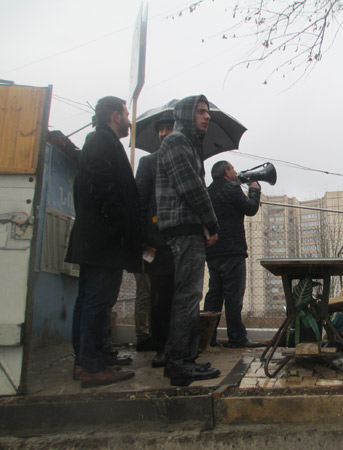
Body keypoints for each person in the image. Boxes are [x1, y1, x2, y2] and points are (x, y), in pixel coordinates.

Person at [66, 96, 142, 388]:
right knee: (97, 303)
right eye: (126, 114)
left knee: (88, 301)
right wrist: (121, 224)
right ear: (115, 116)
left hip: (96, 239)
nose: (129, 121)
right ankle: (93, 367)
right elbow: (103, 187)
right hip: (104, 240)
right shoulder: (101, 140)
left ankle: (84, 361)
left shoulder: (99, 141)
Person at [155, 95, 221, 386]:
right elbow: (192, 188)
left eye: (208, 112)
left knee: (188, 296)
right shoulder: (177, 141)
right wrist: (211, 222)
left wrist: (202, 224)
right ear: (185, 114)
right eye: (201, 112)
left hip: (187, 227)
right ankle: (180, 363)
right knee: (188, 297)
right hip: (183, 229)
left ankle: (183, 358)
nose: (207, 117)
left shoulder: (187, 145)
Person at [203, 161, 263, 348]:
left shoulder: (207, 191)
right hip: (233, 252)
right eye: (233, 169)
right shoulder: (232, 188)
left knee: (214, 295)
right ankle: (237, 338)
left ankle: (208, 337)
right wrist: (254, 190)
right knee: (233, 296)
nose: (236, 172)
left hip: (213, 252)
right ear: (226, 171)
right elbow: (251, 208)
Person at [135, 111, 175, 367]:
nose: (163, 133)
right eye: (160, 129)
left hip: (182, 240)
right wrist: (143, 239)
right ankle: (161, 347)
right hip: (156, 243)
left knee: (183, 295)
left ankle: (181, 345)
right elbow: (140, 202)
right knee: (159, 296)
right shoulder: (148, 162)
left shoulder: (188, 160)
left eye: (168, 128)